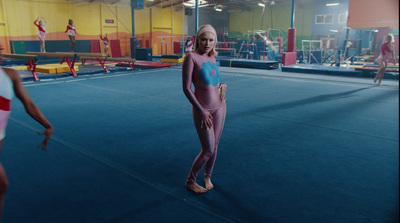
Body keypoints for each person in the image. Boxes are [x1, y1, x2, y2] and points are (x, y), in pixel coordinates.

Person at [0, 44, 53, 220]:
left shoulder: (9, 75)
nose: (1, 50)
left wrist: (47, 125)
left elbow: (28, 104)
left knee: (2, 186)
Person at [182, 25, 227, 194]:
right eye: (203, 39)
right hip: (204, 110)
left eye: (211, 40)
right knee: (207, 149)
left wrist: (222, 85)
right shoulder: (191, 57)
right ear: (197, 39)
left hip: (220, 107)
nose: (207, 43)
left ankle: (207, 176)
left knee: (215, 146)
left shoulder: (213, 58)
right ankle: (190, 181)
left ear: (215, 41)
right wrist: (201, 110)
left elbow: (212, 82)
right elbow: (186, 88)